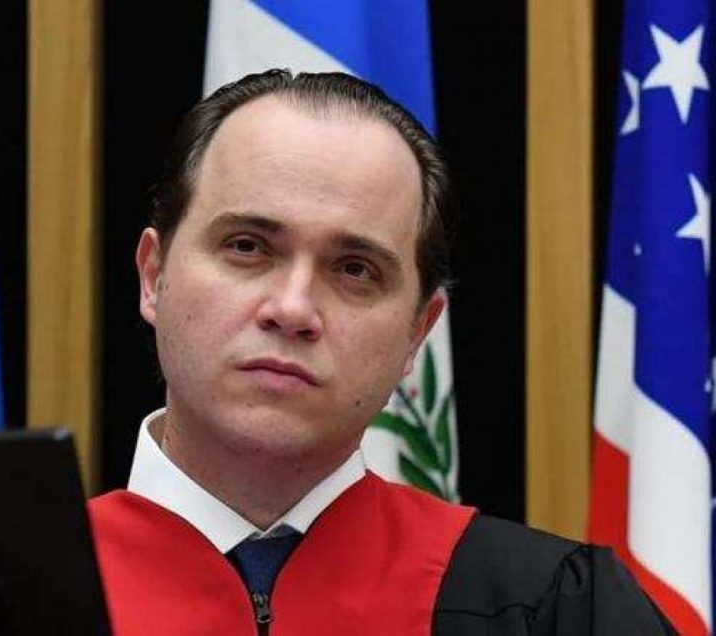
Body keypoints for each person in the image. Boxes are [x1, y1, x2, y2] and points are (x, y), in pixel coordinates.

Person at [89, 70, 672, 635]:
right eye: (247, 246)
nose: (292, 309)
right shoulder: (39, 589)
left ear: (418, 331)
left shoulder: (552, 612)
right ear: (154, 277)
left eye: (354, 269)